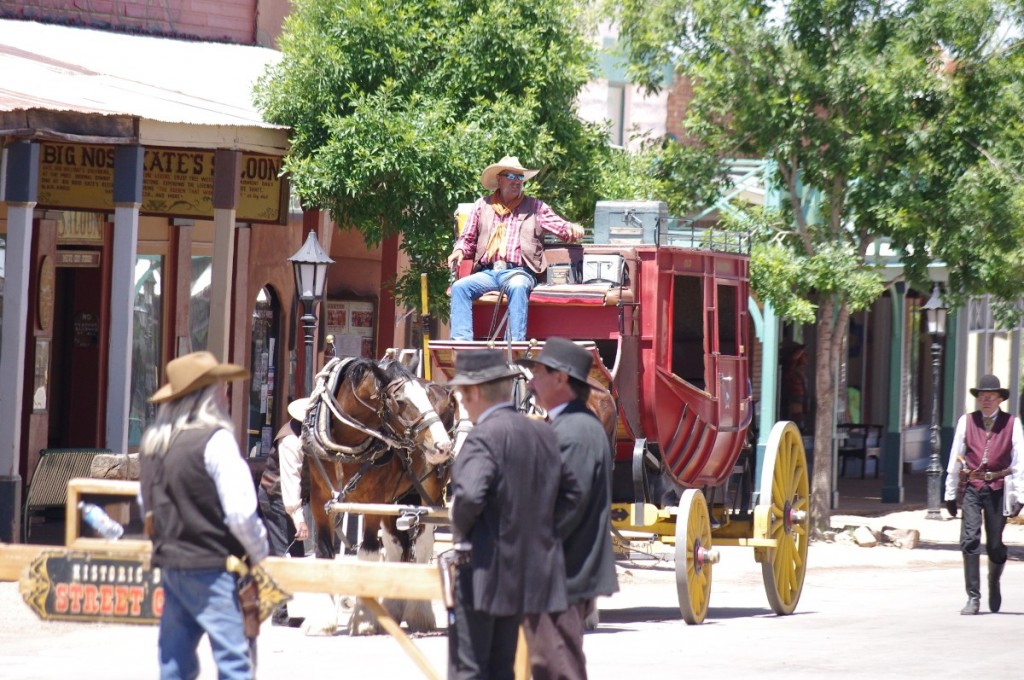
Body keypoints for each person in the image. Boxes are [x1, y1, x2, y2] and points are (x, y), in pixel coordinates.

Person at [447, 349, 581, 680]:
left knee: (470, 669)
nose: (462, 403)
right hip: (524, 574)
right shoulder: (543, 433)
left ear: (475, 392)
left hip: (481, 571)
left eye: (463, 396)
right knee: (503, 667)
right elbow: (571, 497)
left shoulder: (482, 437)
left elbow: (469, 496)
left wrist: (462, 533)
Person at [139, 351, 270, 679]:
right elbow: (240, 515)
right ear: (209, 395)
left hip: (172, 566)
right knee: (234, 664)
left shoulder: (154, 444)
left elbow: (148, 510)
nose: (225, 395)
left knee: (174, 664)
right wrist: (260, 555)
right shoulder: (216, 442)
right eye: (220, 388)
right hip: (213, 569)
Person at [517, 338, 619, 680]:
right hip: (560, 571)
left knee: (557, 668)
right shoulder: (571, 425)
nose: (531, 382)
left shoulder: (574, 430)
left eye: (538, 373)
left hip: (560, 572)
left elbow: (567, 506)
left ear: (561, 379)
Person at [446, 156, 585, 342]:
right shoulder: (482, 206)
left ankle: (513, 345)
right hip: (488, 272)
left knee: (518, 286)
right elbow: (468, 238)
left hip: (519, 271)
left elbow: (561, 227)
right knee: (460, 287)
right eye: (511, 176)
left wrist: (573, 229)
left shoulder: (535, 207)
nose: (516, 182)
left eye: (520, 178)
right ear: (499, 179)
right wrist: (459, 251)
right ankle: (462, 345)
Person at [944, 374, 1024, 615]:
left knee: (996, 544)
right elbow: (954, 456)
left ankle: (994, 579)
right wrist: (949, 492)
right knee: (969, 539)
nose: (985, 400)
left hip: (999, 488)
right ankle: (973, 597)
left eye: (990, 396)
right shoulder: (966, 422)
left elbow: (1019, 460)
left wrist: (1021, 494)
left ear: (1000, 399)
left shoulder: (1012, 423)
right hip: (973, 487)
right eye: (981, 396)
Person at [257, 397, 311, 625]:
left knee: (295, 554)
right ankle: (279, 614)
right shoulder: (291, 441)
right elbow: (290, 484)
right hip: (276, 497)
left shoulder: (301, 436)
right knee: (283, 553)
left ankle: (289, 609)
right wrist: (299, 519)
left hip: (285, 497)